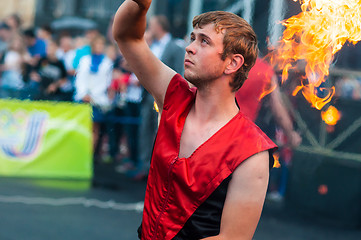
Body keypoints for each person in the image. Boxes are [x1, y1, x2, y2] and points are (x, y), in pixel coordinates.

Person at [113, 1, 277, 239]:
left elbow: (232, 238)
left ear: (232, 63)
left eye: (204, 41)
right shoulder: (174, 96)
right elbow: (127, 36)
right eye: (192, 38)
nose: (189, 48)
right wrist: (139, 4)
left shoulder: (252, 152)